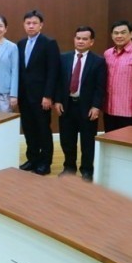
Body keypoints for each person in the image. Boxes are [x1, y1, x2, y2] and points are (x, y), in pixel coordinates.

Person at [54, 26, 106, 181]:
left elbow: (100, 87)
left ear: (91, 42)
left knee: (87, 142)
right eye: (78, 38)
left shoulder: (98, 62)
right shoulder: (64, 58)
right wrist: (57, 100)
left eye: (85, 39)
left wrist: (96, 106)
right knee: (67, 140)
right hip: (67, 105)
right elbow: (58, 82)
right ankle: (69, 167)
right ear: (74, 39)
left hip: (87, 108)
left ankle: (87, 171)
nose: (81, 41)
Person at [17, 10, 60, 176]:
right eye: (28, 23)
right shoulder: (20, 44)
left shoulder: (49, 43)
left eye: (34, 23)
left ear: (41, 25)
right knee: (28, 129)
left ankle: (45, 162)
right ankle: (32, 159)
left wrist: (48, 95)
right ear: (24, 25)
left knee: (43, 129)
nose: (31, 26)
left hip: (42, 97)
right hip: (24, 96)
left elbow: (53, 71)